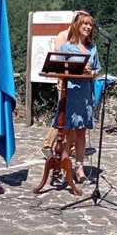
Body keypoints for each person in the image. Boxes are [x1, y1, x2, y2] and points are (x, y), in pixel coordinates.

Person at [52, 10, 100, 184]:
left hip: (86, 93)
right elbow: (59, 69)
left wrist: (92, 71)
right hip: (71, 92)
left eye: (90, 24)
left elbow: (97, 68)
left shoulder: (92, 48)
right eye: (84, 24)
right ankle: (65, 166)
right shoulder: (67, 47)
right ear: (77, 25)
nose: (88, 27)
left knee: (81, 132)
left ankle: (79, 168)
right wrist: (78, 69)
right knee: (67, 132)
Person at [41, 27, 70, 159]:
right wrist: (60, 78)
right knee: (61, 115)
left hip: (79, 85)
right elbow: (59, 60)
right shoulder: (63, 35)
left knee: (72, 117)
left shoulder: (83, 39)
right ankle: (47, 145)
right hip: (65, 83)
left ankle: (71, 146)